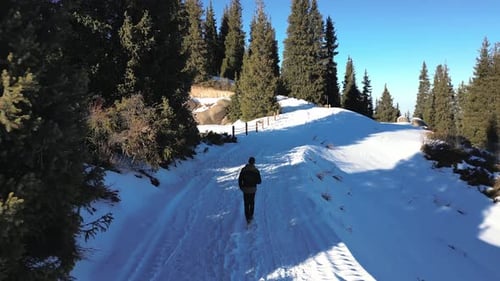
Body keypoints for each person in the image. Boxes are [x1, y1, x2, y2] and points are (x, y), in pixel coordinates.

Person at [238, 156, 262, 224]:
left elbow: (240, 179)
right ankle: (251, 216)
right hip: (253, 189)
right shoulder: (256, 170)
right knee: (252, 202)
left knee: (246, 203)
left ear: (248, 162)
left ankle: (247, 217)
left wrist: (241, 187)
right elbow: (259, 181)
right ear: (254, 162)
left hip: (245, 189)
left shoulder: (243, 169)